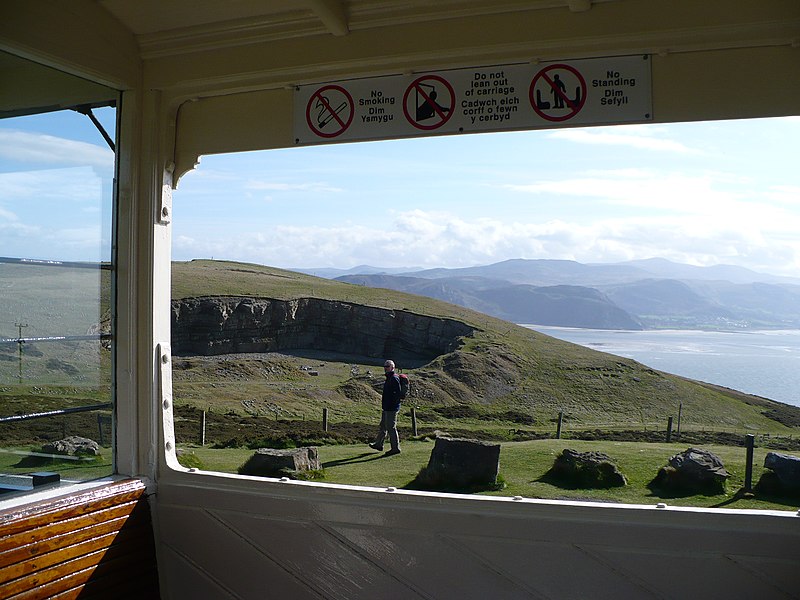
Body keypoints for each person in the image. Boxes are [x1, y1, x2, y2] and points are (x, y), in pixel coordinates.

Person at [369, 359, 402, 455]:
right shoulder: (389, 377)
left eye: (387, 366)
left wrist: (392, 405)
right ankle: (379, 444)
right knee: (383, 426)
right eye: (384, 366)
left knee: (391, 427)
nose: (385, 368)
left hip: (391, 408)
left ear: (392, 368)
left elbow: (397, 394)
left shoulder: (394, 378)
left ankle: (395, 448)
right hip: (387, 407)